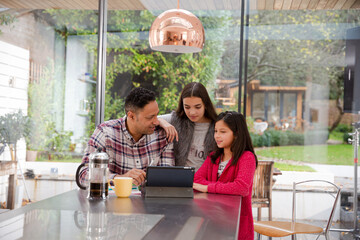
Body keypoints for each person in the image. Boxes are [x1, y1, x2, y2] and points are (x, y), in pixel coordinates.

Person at [79, 87, 174, 186]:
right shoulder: (105, 133)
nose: (156, 121)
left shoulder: (163, 135)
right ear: (131, 116)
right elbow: (83, 175)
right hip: (113, 201)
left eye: (157, 115)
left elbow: (167, 180)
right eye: (150, 117)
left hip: (150, 201)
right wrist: (120, 179)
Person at [193, 111, 258, 240]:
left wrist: (208, 188)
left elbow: (241, 188)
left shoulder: (247, 157)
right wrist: (226, 187)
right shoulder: (213, 157)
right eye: (216, 131)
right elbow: (196, 179)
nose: (217, 136)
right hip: (212, 222)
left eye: (223, 132)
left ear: (236, 134)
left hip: (236, 224)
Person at [158, 82, 217, 171]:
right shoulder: (176, 119)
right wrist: (164, 123)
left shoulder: (218, 126)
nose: (192, 112)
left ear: (205, 105)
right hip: (180, 181)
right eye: (187, 107)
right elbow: (150, 119)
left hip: (206, 183)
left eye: (197, 107)